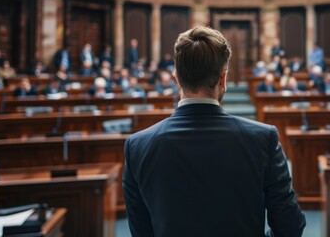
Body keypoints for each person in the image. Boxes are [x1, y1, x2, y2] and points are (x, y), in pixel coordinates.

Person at [123, 26, 306, 236]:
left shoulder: (137, 146)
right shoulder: (263, 138)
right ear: (223, 79)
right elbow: (290, 227)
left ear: (176, 78)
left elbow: (141, 232)